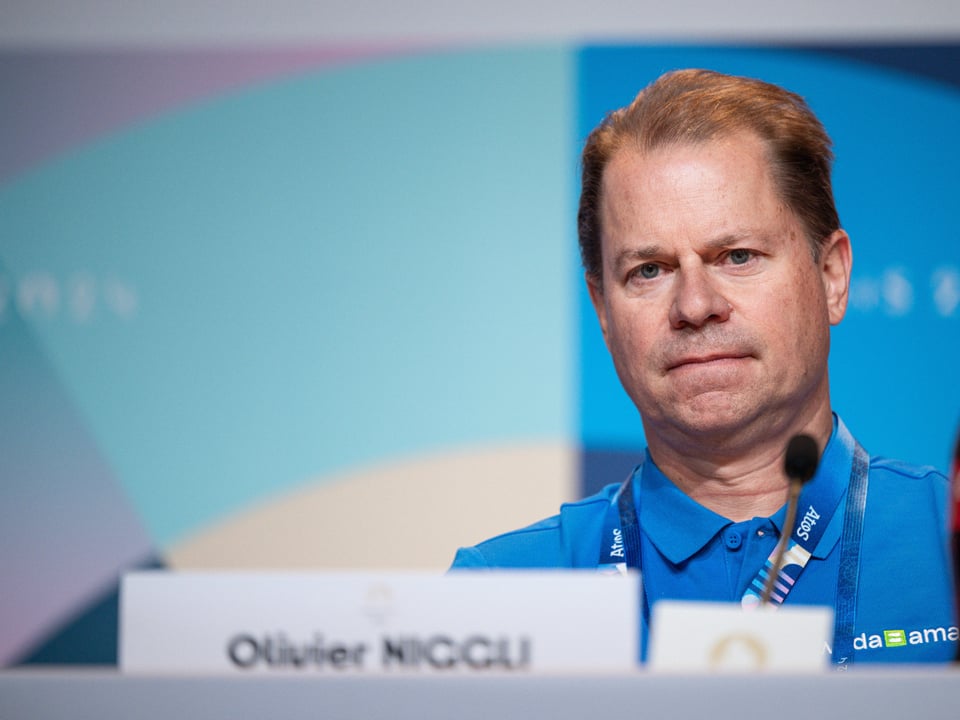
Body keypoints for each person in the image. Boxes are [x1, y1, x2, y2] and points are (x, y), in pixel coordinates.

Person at [451, 69, 956, 665]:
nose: (694, 306)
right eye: (649, 270)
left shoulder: (945, 544)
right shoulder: (503, 592)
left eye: (737, 256)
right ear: (604, 312)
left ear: (832, 277)